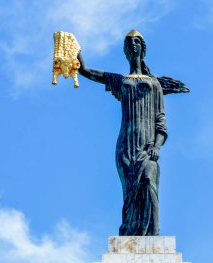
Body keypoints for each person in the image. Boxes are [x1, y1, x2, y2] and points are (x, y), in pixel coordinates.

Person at [77, 30, 189, 236]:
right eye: (129, 42)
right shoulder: (120, 81)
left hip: (147, 146)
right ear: (125, 51)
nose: (133, 45)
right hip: (125, 145)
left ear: (143, 48)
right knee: (130, 192)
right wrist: (73, 47)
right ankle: (130, 236)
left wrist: (156, 146)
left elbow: (161, 122)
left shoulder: (154, 84)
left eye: (137, 41)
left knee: (148, 182)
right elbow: (85, 71)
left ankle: (153, 236)